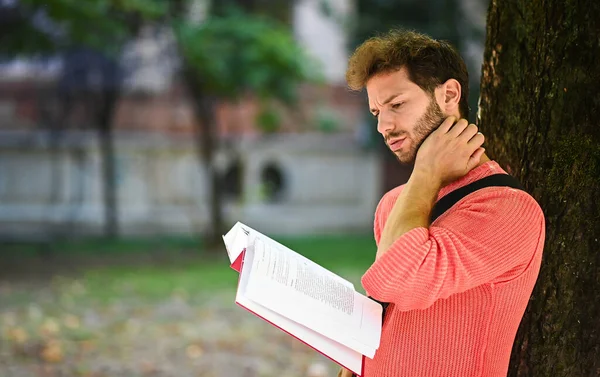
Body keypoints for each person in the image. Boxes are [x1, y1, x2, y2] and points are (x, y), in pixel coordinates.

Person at [338, 30, 546, 377]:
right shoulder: (395, 204)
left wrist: (427, 170)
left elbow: (398, 280)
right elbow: (380, 312)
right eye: (376, 112)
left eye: (397, 105)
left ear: (449, 94)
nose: (384, 126)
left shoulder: (509, 210)